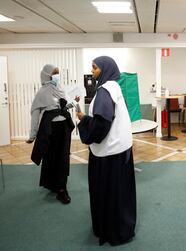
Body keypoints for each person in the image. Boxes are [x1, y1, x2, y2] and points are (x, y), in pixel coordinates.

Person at [76, 56, 137, 246]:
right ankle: (121, 227)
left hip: (108, 154)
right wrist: (88, 118)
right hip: (121, 149)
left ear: (105, 69)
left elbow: (101, 125)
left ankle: (110, 230)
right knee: (119, 193)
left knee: (108, 193)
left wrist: (85, 122)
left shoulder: (104, 91)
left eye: (95, 68)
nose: (93, 72)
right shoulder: (116, 87)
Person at [27, 64, 78, 204]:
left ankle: (61, 188)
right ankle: (51, 183)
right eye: (54, 73)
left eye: (58, 73)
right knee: (50, 156)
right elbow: (35, 114)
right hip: (50, 129)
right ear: (47, 75)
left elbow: (64, 107)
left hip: (64, 128)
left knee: (62, 157)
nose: (57, 76)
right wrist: (32, 135)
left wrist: (74, 102)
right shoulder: (42, 93)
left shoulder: (60, 89)